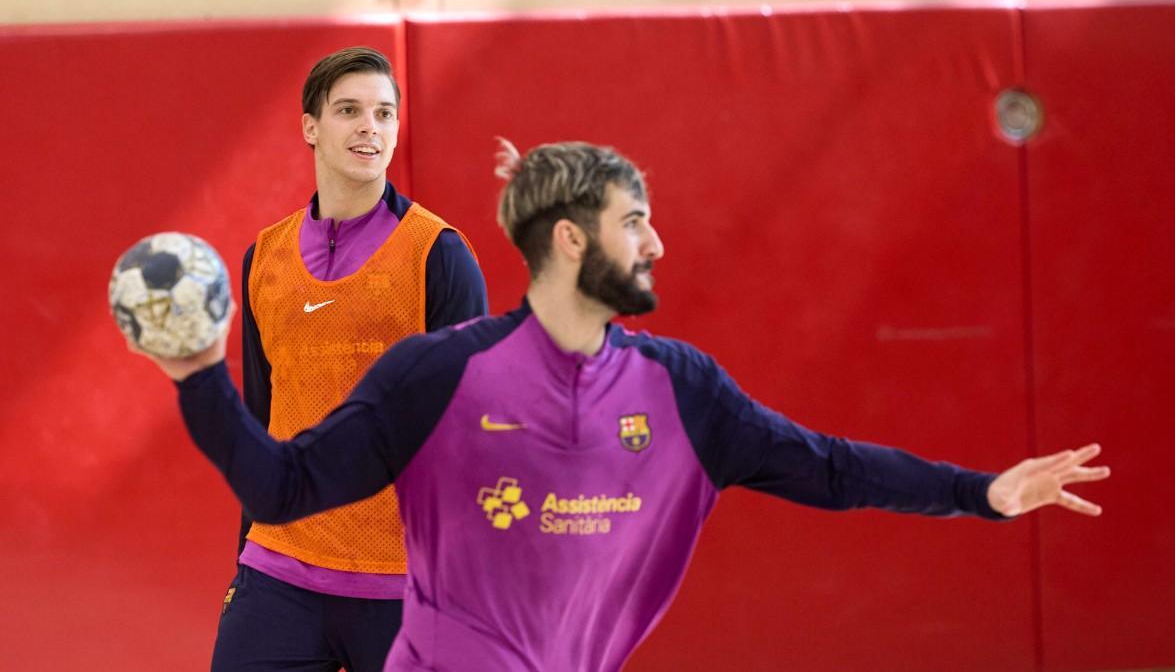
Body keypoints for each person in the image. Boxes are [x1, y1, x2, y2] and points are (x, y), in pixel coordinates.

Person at [145, 140, 1108, 671]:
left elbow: (829, 465)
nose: (658, 243)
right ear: (570, 241)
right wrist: (199, 374)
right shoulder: (437, 377)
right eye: (635, 220)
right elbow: (284, 482)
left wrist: (981, 493)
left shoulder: (680, 390)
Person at [215, 47, 487, 671]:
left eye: (385, 113)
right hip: (278, 574)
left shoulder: (438, 254)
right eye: (349, 110)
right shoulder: (266, 258)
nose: (371, 126)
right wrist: (243, 559)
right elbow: (262, 423)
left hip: (403, 585)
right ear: (311, 126)